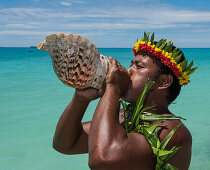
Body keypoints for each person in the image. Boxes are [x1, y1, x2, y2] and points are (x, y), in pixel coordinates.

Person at [52, 33, 197, 170]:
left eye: (138, 67)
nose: (128, 71)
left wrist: (112, 87)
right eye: (131, 64)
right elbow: (65, 144)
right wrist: (80, 99)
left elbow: (102, 160)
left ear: (163, 81)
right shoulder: (123, 116)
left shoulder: (173, 132)